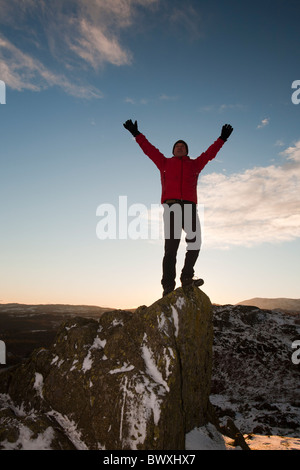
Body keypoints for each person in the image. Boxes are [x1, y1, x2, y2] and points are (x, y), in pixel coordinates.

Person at [123, 119, 233, 296]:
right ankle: (168, 286)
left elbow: (209, 154)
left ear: (187, 151)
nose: (180, 147)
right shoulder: (164, 163)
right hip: (172, 207)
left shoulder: (195, 165)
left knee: (195, 243)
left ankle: (187, 278)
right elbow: (149, 150)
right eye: (177, 146)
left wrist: (222, 139)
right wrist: (136, 133)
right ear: (173, 151)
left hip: (189, 207)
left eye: (183, 146)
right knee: (171, 249)